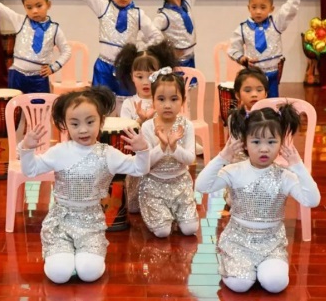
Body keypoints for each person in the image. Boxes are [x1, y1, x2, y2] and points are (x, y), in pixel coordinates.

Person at [18, 86, 150, 284]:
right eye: (75, 123)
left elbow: (140, 169)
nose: (83, 129)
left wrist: (143, 151)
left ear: (101, 121)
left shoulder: (108, 154)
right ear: (65, 125)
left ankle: (82, 258)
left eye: (90, 122)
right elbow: (30, 170)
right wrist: (27, 148)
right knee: (59, 275)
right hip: (60, 222)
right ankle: (64, 256)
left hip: (91, 224)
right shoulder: (59, 151)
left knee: (89, 273)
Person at [195, 104, 320, 294]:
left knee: (275, 284)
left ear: (281, 143)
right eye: (256, 142)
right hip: (238, 241)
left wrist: (297, 165)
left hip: (272, 243)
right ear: (244, 143)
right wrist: (222, 157)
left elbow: (312, 200)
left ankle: (261, 269)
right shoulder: (235, 171)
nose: (264, 149)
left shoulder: (285, 176)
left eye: (271, 142)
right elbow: (202, 186)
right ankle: (240, 266)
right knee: (240, 285)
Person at [51, 0, 163, 100]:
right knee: (99, 103)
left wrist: (140, 51)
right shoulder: (102, 7)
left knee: (127, 104)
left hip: (126, 69)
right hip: (103, 67)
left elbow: (157, 36)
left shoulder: (138, 14)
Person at [114, 40, 177, 213]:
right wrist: (140, 121)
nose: (145, 82)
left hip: (162, 159)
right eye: (139, 76)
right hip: (139, 160)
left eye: (150, 76)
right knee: (134, 208)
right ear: (131, 76)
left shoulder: (164, 100)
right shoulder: (128, 104)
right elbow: (126, 133)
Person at [227, 0, 304, 97]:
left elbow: (289, 9)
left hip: (272, 73)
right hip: (252, 75)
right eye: (254, 7)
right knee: (254, 101)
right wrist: (241, 58)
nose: (258, 11)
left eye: (263, 7)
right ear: (249, 8)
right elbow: (233, 48)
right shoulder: (242, 28)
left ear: (271, 9)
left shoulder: (276, 23)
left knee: (272, 101)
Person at [139, 67, 197, 238]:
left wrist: (174, 147)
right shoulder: (147, 127)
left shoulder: (187, 125)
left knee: (190, 229)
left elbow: (190, 159)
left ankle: (175, 213)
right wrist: (162, 147)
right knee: (162, 232)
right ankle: (160, 213)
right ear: (153, 100)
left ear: (183, 101)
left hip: (181, 184)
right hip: (154, 184)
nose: (167, 105)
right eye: (161, 99)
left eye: (174, 99)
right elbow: (145, 163)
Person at [222, 65, 270, 210]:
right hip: (242, 163)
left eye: (259, 90)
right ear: (237, 95)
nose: (254, 95)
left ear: (266, 93)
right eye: (247, 90)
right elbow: (237, 149)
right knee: (233, 201)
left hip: (265, 162)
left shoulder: (271, 117)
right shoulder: (234, 118)